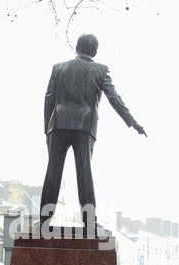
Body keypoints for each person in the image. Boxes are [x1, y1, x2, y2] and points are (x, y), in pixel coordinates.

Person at [40, 33, 146, 229]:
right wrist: (132, 121)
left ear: (77, 48)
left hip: (58, 124)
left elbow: (49, 99)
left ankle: (44, 221)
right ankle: (90, 223)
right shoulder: (101, 70)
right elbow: (114, 98)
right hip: (85, 126)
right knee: (85, 174)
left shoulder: (58, 67)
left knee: (53, 173)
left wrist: (48, 129)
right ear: (95, 51)